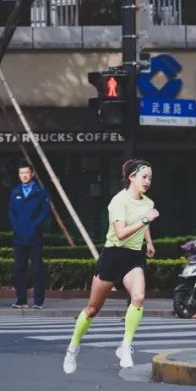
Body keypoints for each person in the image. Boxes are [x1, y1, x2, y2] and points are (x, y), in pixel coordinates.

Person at [63, 159, 158, 374]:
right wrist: (145, 220)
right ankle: (72, 348)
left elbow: (145, 225)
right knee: (93, 308)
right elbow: (122, 233)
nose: (147, 181)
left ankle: (125, 346)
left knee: (139, 297)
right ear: (131, 177)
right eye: (144, 177)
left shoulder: (148, 203)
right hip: (113, 255)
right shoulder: (118, 201)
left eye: (150, 178)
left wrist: (149, 242)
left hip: (134, 257)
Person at [8, 162, 50, 310]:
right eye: (21, 173)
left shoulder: (40, 191)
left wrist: (34, 225)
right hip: (19, 237)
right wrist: (16, 226)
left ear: (32, 174)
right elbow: (11, 212)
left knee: (37, 269)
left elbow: (45, 211)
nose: (24, 175)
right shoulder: (15, 192)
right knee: (19, 268)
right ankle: (21, 300)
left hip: (35, 237)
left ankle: (38, 301)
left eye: (26, 172)